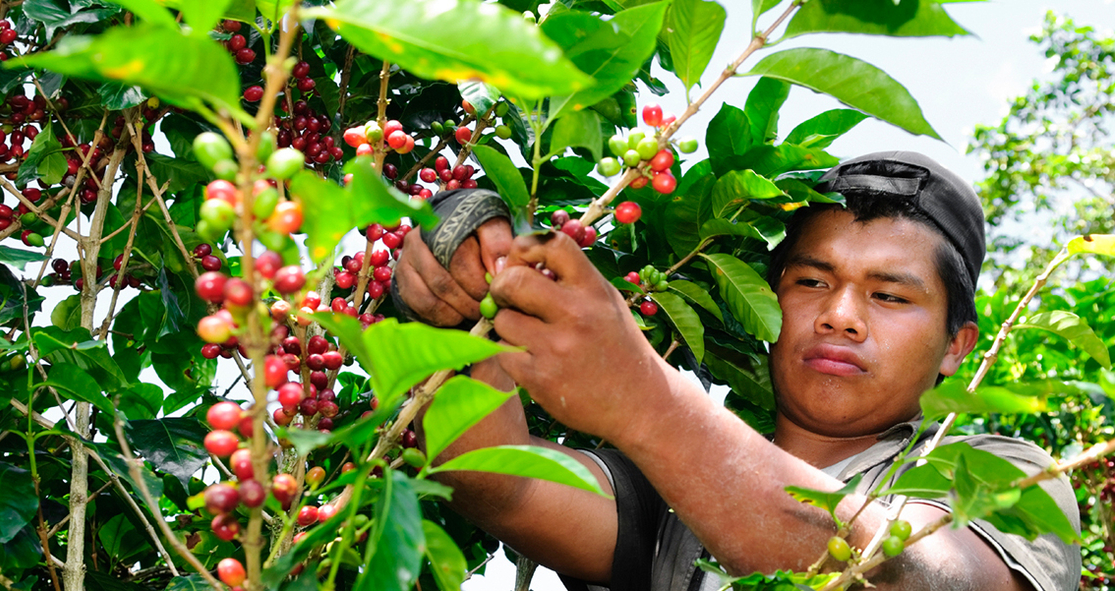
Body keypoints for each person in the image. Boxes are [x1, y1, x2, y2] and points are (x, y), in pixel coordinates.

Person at [391, 151, 1082, 591]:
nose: (842, 315)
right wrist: (452, 299)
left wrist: (645, 402)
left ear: (956, 346)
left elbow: (925, 580)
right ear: (770, 298)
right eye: (812, 280)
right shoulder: (671, 494)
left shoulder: (1004, 478)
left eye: (890, 295)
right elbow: (495, 479)